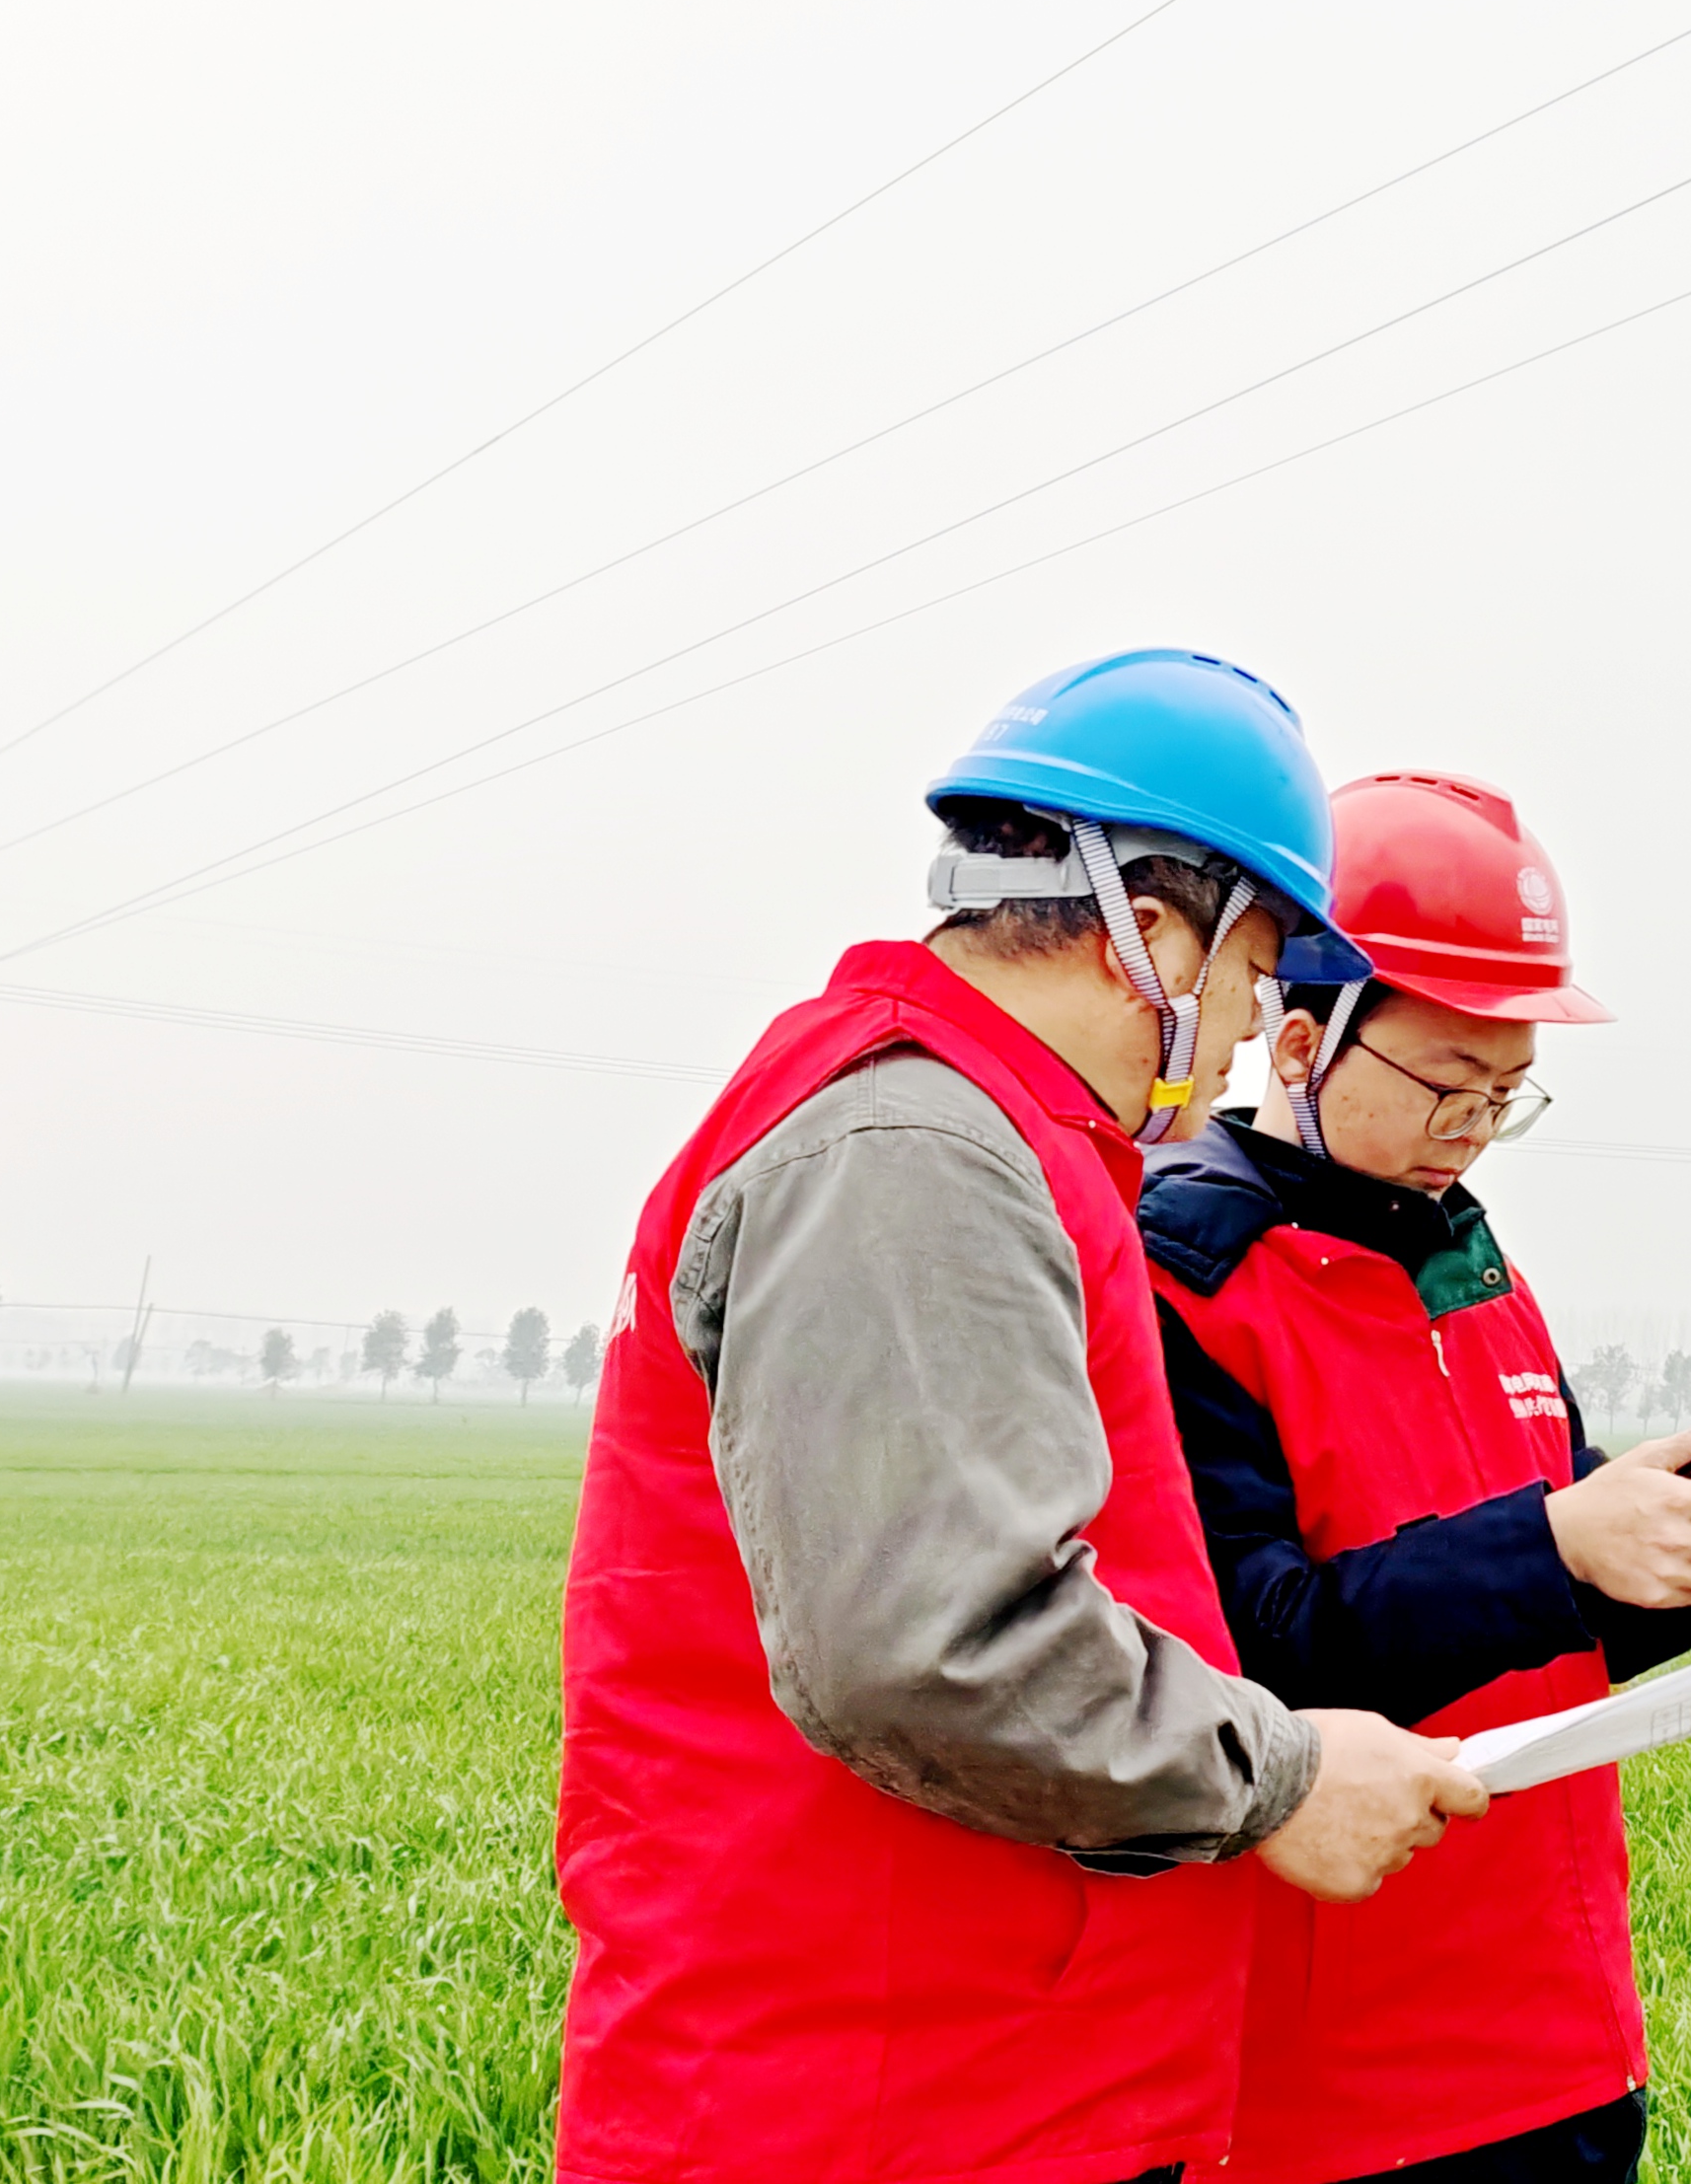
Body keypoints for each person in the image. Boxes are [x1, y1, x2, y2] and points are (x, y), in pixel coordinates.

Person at [554, 649, 1489, 2184]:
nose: (1247, 1030)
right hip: (881, 2102)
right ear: (1152, 931)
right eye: (1256, 968)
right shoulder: (911, 1149)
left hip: (974, 2079)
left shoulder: (981, 1131)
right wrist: (1276, 1776)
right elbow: (934, 1643)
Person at [1140, 770, 1691, 2184]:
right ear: (1298, 1041)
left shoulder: (1479, 1269)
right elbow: (1246, 1660)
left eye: (1507, 1093)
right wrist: (1561, 1539)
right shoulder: (1183, 1281)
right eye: (1448, 1083)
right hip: (1336, 2090)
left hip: (1561, 2039)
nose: (1473, 1126)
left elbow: (1548, 1631)